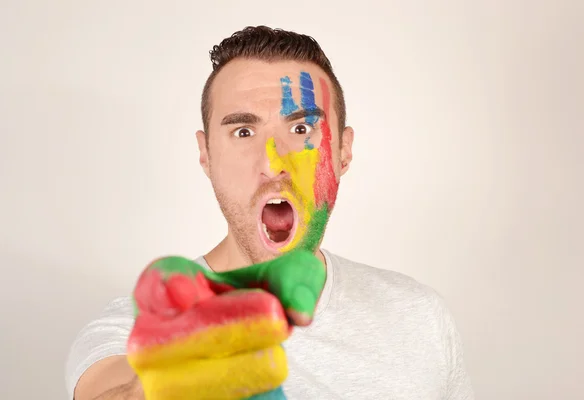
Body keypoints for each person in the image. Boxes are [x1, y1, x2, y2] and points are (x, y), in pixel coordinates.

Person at [65, 25, 475, 399]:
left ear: (344, 150)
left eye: (301, 129)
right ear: (206, 155)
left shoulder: (420, 318)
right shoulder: (137, 328)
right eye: (243, 131)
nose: (273, 161)